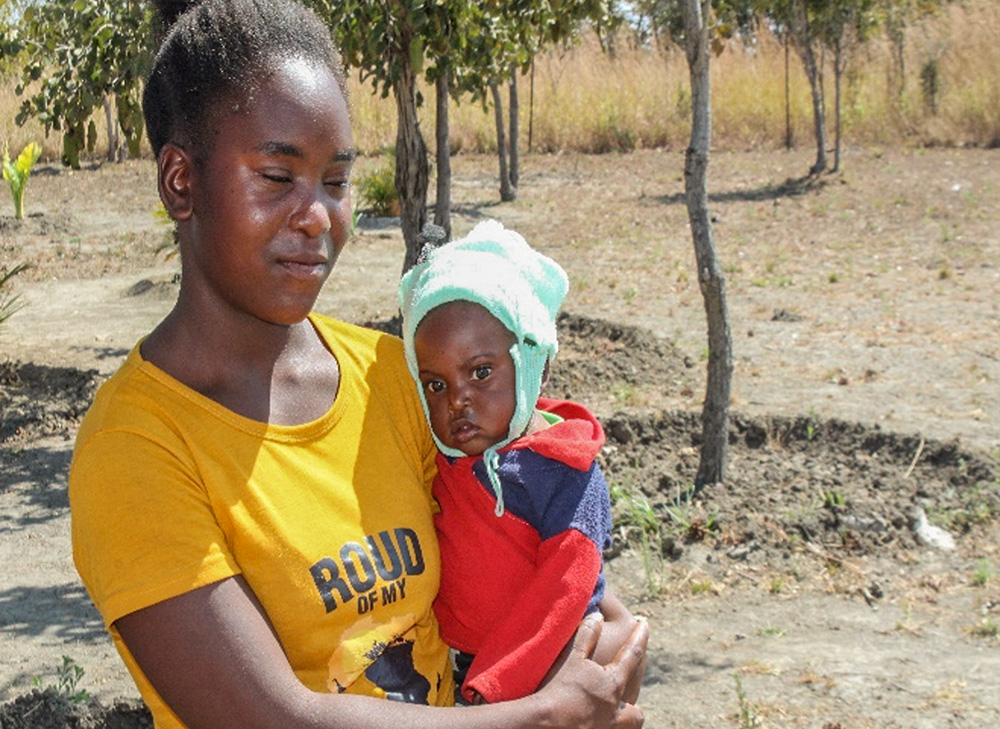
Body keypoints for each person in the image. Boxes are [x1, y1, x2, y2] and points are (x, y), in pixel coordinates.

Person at [68, 1, 648, 728]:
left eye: (336, 182)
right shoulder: (136, 450)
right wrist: (543, 717)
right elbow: (266, 717)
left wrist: (595, 651)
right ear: (181, 181)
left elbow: (535, 567)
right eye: (278, 176)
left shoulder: (390, 378)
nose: (319, 216)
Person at [398, 221, 644, 706]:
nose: (457, 403)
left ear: (535, 364)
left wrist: (497, 687)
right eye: (435, 384)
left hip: (545, 668)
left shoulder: (563, 473)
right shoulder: (438, 456)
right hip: (457, 670)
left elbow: (562, 592)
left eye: (481, 372)